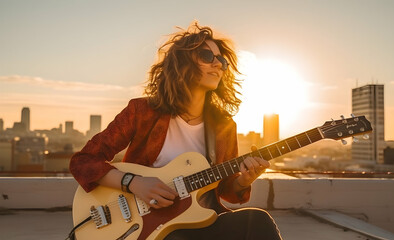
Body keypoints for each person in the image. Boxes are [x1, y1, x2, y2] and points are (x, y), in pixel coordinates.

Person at [69, 22, 282, 240]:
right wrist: (134, 182)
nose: (218, 64)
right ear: (182, 63)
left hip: (198, 223)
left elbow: (225, 189)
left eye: (222, 60)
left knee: (258, 220)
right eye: (207, 56)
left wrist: (244, 180)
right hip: (147, 227)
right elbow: (83, 161)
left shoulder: (224, 126)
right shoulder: (141, 111)